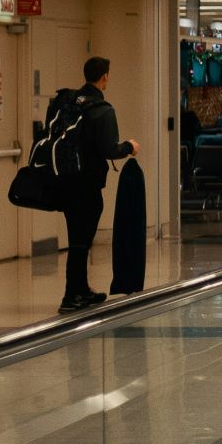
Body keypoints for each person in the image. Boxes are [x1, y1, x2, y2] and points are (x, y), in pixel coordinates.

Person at [54, 57, 138, 314]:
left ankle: (81, 289)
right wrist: (130, 147)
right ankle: (71, 295)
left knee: (76, 236)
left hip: (66, 179)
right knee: (81, 240)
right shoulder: (102, 109)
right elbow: (109, 149)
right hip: (87, 183)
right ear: (104, 77)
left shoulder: (70, 102)